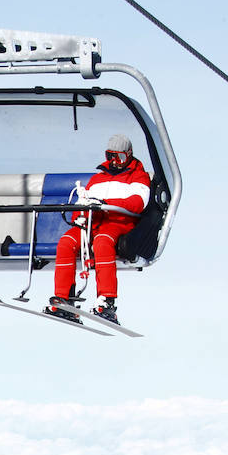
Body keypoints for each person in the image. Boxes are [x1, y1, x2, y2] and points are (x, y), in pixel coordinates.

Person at [49, 133, 151, 324]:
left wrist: (105, 203)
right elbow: (83, 201)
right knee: (66, 243)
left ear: (128, 155)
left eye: (119, 157)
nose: (114, 162)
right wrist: (80, 215)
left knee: (103, 241)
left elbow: (138, 202)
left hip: (118, 223)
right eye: (110, 156)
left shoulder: (139, 177)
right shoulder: (98, 178)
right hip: (92, 223)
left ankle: (107, 300)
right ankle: (64, 298)